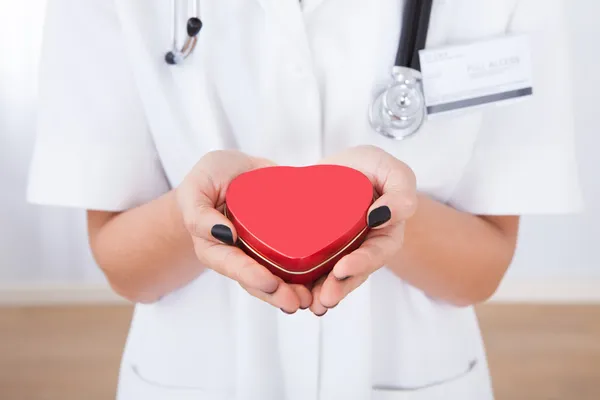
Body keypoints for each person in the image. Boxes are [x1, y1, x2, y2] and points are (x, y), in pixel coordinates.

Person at [27, 0, 582, 399]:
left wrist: (384, 216)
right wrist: (197, 215)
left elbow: (480, 271)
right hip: (194, 374)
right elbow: (124, 267)